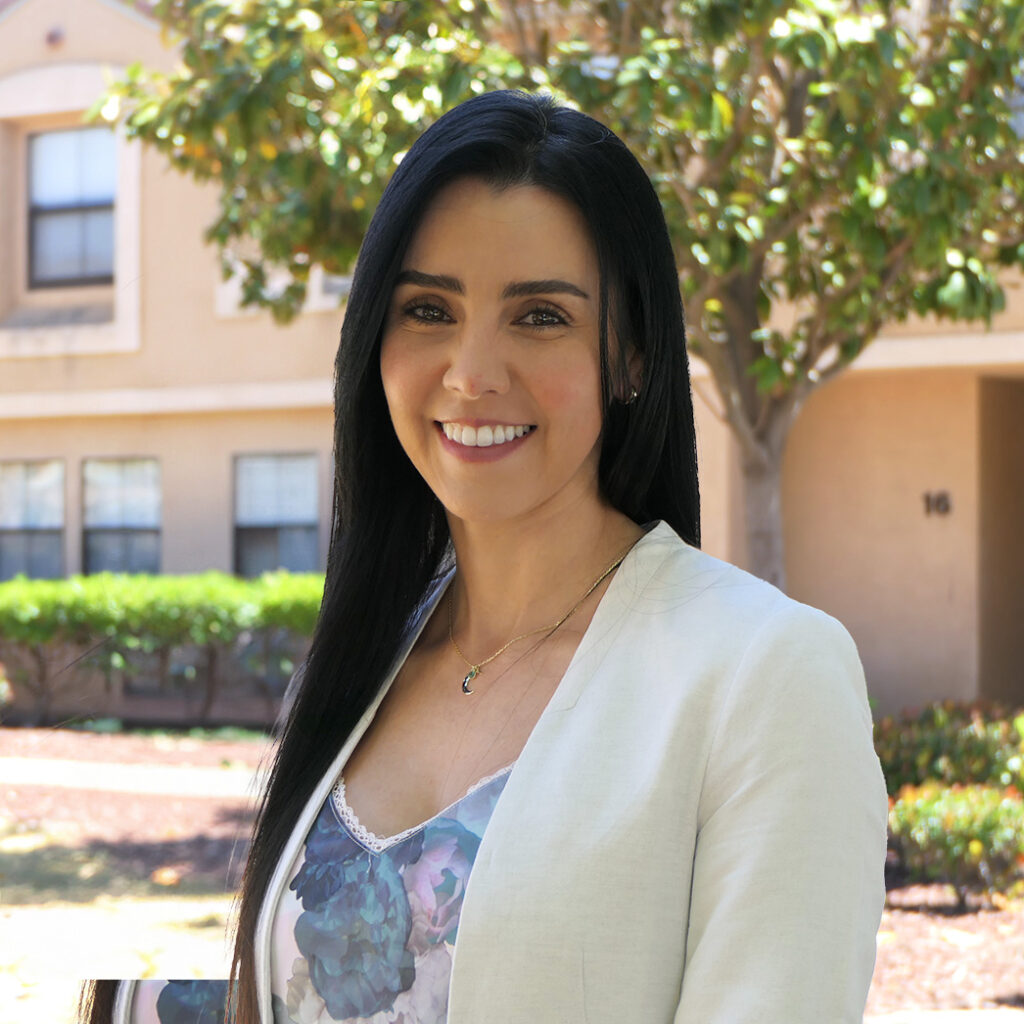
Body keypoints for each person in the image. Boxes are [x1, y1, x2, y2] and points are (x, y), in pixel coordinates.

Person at [81, 89, 888, 1024]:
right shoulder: (367, 657)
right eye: (428, 309)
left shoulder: (766, 675)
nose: (471, 373)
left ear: (628, 355)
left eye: (539, 316)